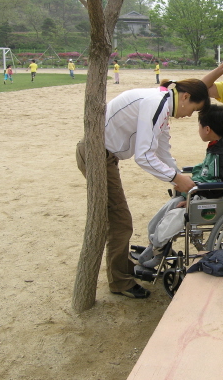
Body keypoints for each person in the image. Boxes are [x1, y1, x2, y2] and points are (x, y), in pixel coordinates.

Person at [75, 79, 211, 299]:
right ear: (185, 97)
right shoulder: (157, 103)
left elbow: (163, 151)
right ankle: (120, 282)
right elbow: (144, 156)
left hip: (103, 155)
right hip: (97, 155)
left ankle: (123, 273)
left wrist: (178, 180)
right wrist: (176, 178)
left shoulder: (163, 104)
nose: (188, 115)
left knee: (117, 219)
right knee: (120, 222)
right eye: (193, 109)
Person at [137, 104, 223, 268]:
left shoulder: (219, 154)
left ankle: (158, 249)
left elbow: (218, 185)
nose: (198, 129)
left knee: (177, 213)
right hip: (204, 192)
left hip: (213, 197)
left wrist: (192, 195)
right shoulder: (220, 144)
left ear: (207, 129)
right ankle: (154, 243)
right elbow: (208, 170)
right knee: (170, 205)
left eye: (199, 125)